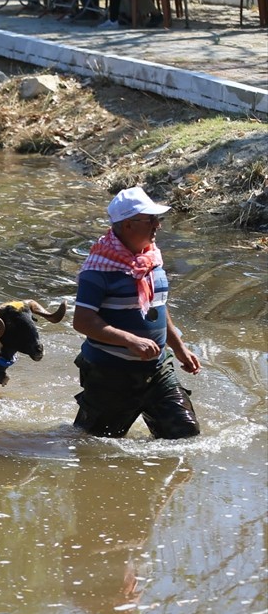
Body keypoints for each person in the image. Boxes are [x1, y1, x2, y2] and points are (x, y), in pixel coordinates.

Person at [71, 186, 202, 439]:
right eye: (150, 219)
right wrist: (129, 340)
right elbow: (83, 321)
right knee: (92, 447)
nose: (158, 225)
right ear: (128, 225)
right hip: (110, 375)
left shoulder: (151, 261)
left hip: (158, 370)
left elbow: (158, 309)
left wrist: (179, 348)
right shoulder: (97, 271)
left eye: (157, 219)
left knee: (185, 435)